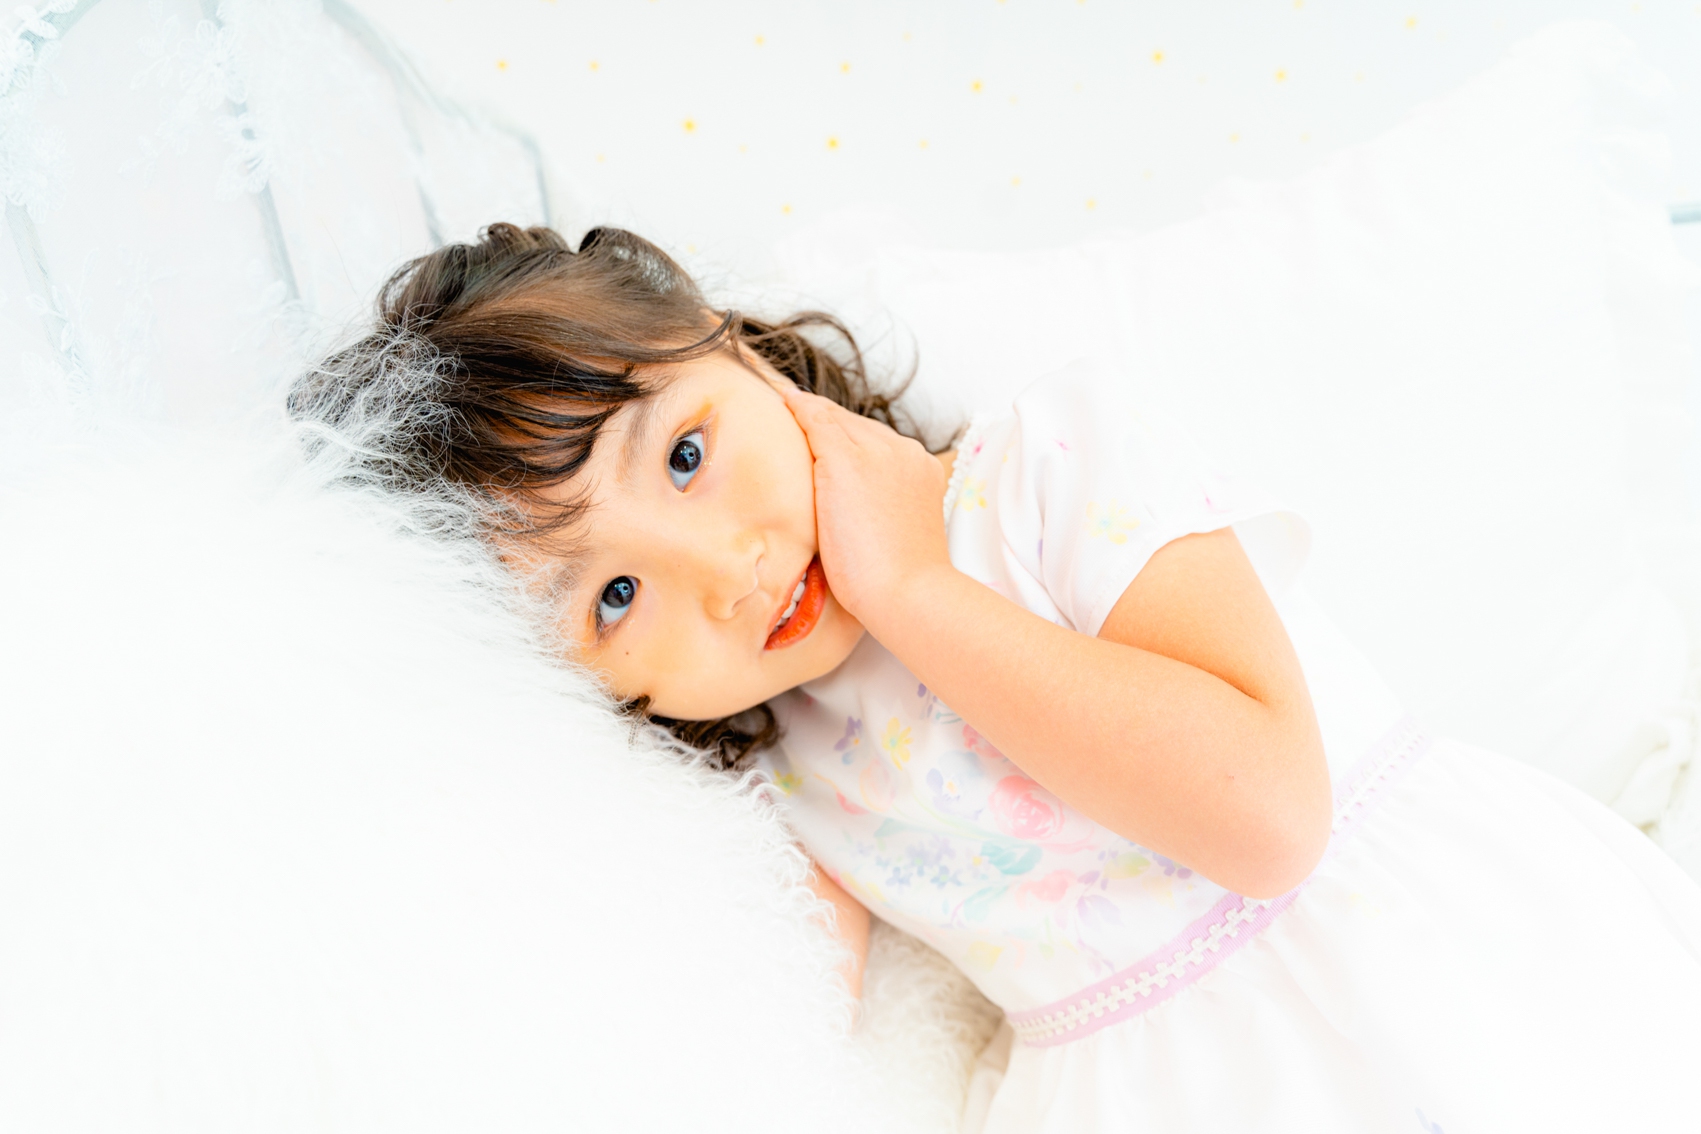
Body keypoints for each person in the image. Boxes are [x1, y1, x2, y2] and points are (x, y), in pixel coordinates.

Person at [297, 222, 1701, 1133]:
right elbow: (771, 1041)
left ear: (725, 340)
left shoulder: (1049, 472)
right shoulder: (779, 770)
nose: (724, 570)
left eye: (684, 453)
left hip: (1419, 965)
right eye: (613, 599)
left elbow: (1269, 822)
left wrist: (917, 592)